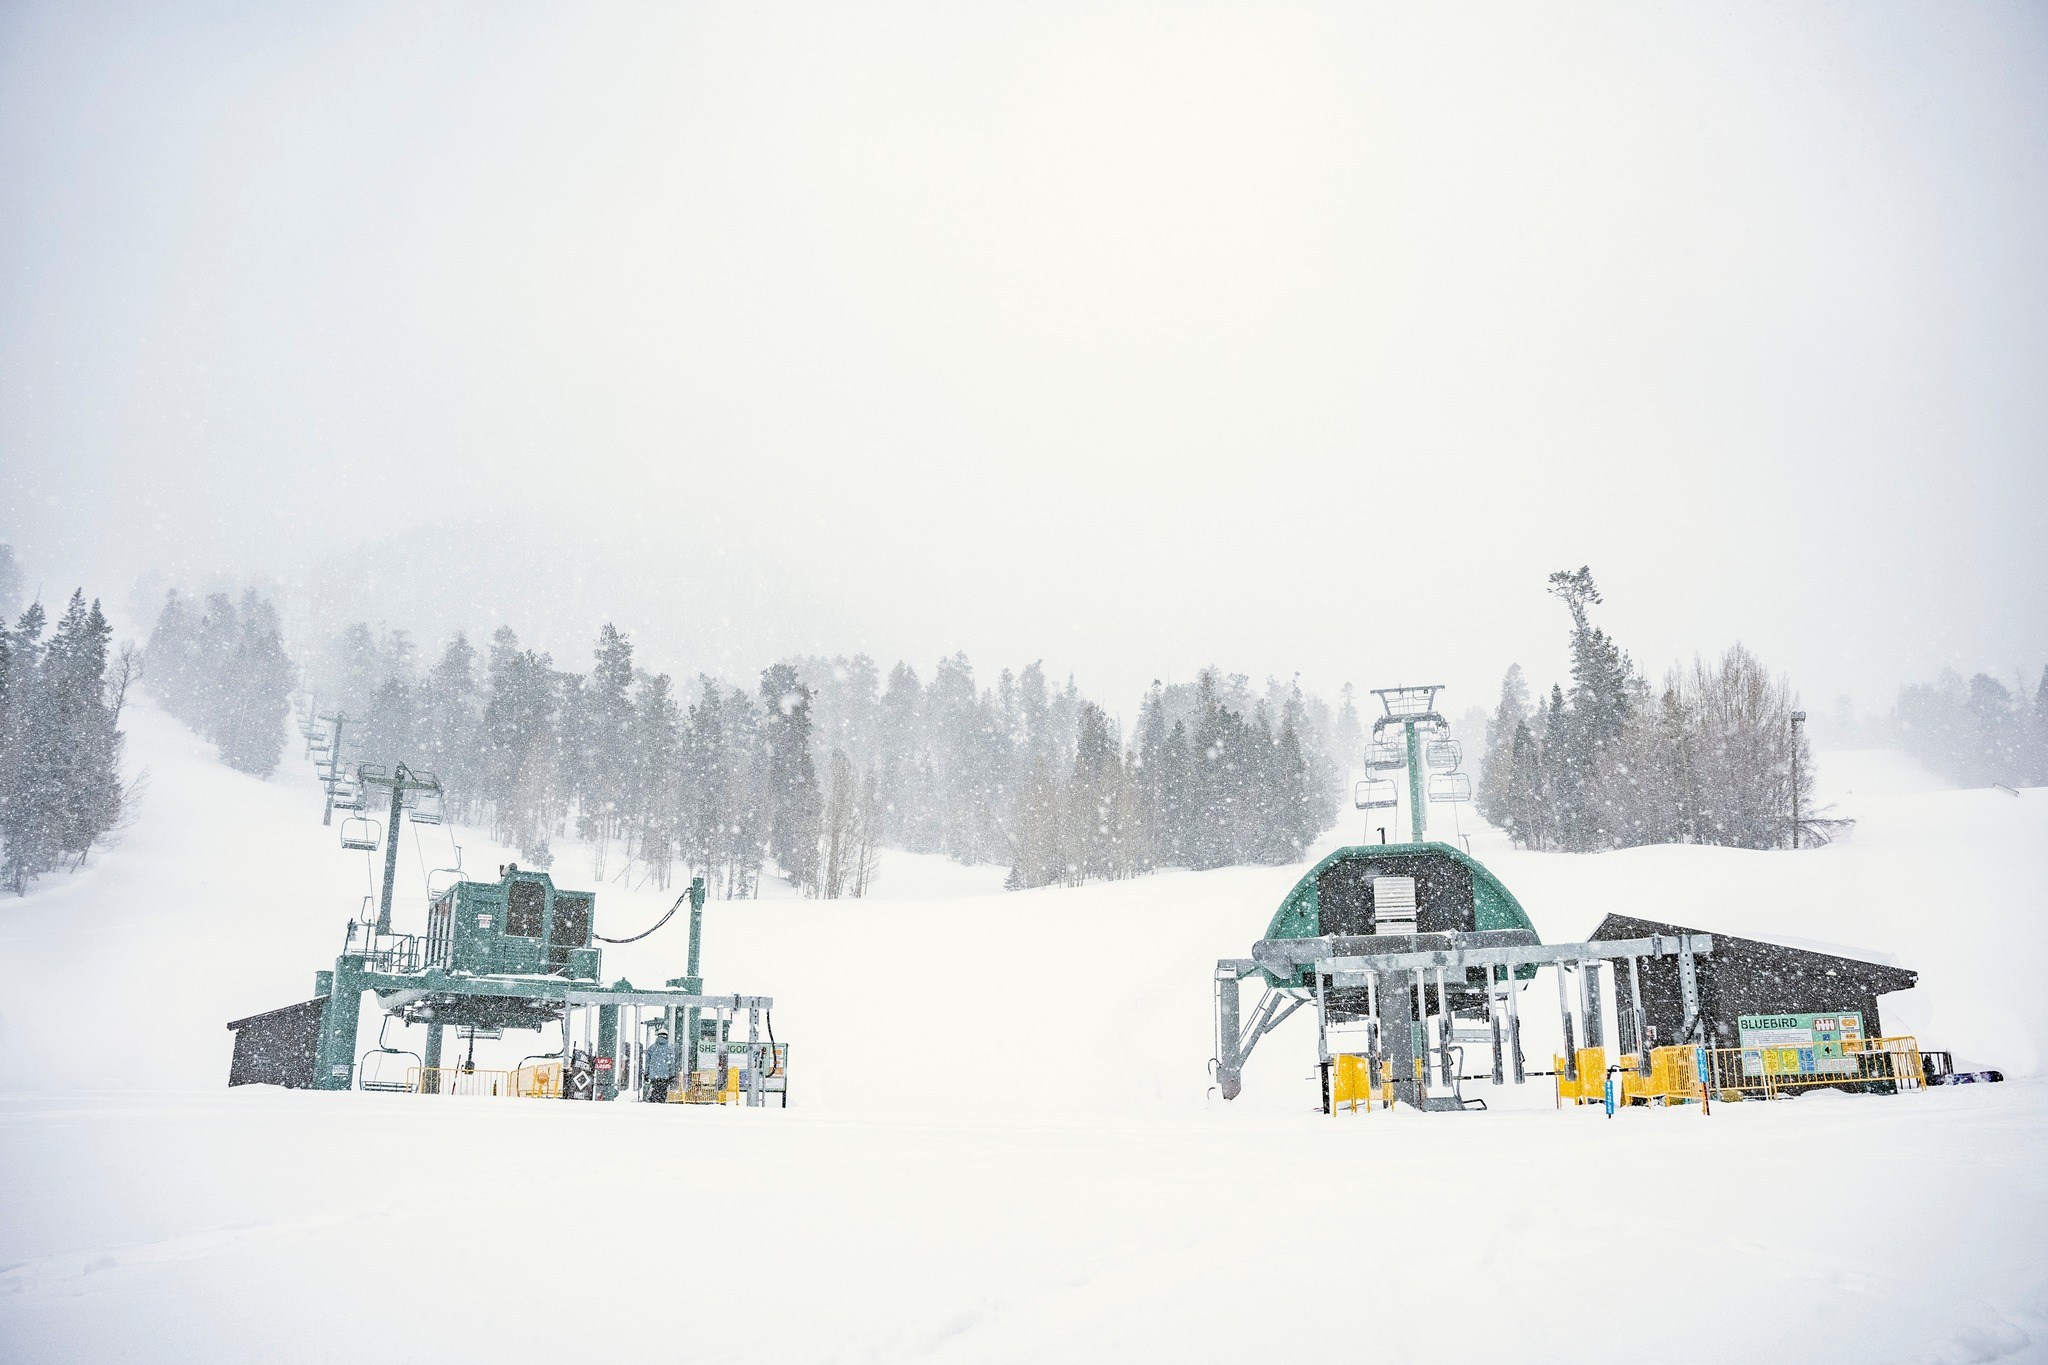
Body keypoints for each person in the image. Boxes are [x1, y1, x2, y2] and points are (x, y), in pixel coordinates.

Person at [643, 1029, 678, 1103]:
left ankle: (653, 1101)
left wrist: (646, 1073)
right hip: (665, 1076)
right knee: (663, 1091)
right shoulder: (669, 1049)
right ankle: (661, 1102)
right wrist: (672, 1075)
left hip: (654, 1075)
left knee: (655, 1089)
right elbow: (671, 1064)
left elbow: (647, 1063)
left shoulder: (651, 1048)